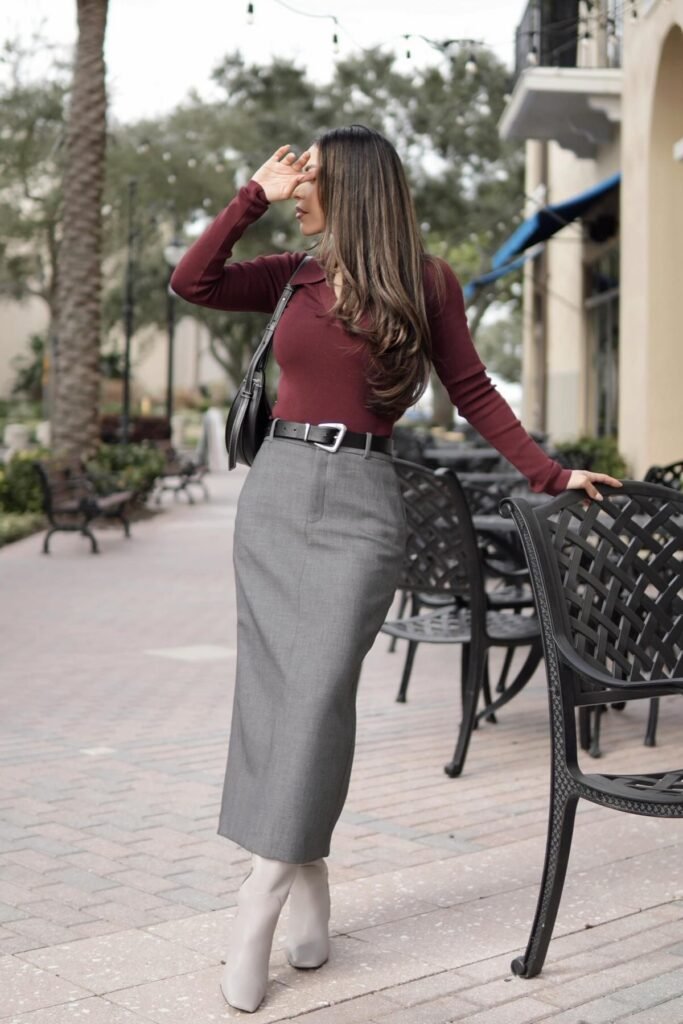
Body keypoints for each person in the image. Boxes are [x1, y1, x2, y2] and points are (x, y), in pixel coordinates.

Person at [170, 124, 621, 1013]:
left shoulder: (427, 281)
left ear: (355, 186)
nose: (298, 189)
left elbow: (474, 388)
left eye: (309, 178)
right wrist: (248, 197)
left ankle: (262, 887)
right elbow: (194, 281)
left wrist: (549, 471)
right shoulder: (291, 273)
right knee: (272, 693)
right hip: (277, 493)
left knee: (317, 693)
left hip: (364, 500)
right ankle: (308, 881)